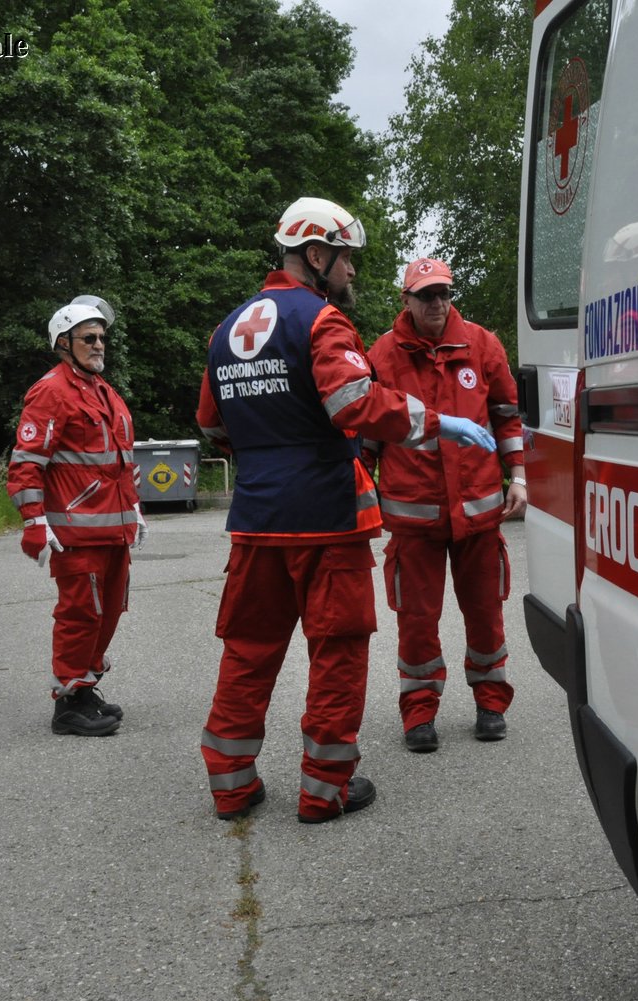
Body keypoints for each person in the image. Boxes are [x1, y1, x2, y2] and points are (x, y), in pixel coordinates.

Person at [196, 197, 496, 823]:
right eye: (346, 259)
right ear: (316, 255)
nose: (352, 272)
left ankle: (231, 783)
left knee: (248, 648)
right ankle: (324, 790)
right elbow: (359, 406)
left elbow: (213, 425)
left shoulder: (226, 330)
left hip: (254, 521)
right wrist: (442, 425)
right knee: (337, 649)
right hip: (325, 520)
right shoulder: (322, 321)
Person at [363, 258, 526, 753]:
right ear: (406, 299)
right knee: (416, 619)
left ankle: (491, 703)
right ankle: (419, 713)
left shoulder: (482, 344)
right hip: (414, 520)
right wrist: (361, 491)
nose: (436, 303)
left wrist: (517, 476)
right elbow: (366, 434)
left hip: (479, 515)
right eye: (425, 294)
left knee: (485, 613)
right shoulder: (383, 354)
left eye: (443, 294)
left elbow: (506, 416)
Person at [7, 296, 146, 737]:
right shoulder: (51, 391)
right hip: (75, 532)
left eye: (102, 337)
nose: (99, 344)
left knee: (109, 612)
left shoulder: (105, 392)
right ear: (63, 343)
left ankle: (85, 688)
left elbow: (117, 462)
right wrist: (34, 521)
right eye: (89, 337)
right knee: (80, 613)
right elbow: (27, 463)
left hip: (114, 529)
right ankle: (67, 704)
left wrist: (136, 508)